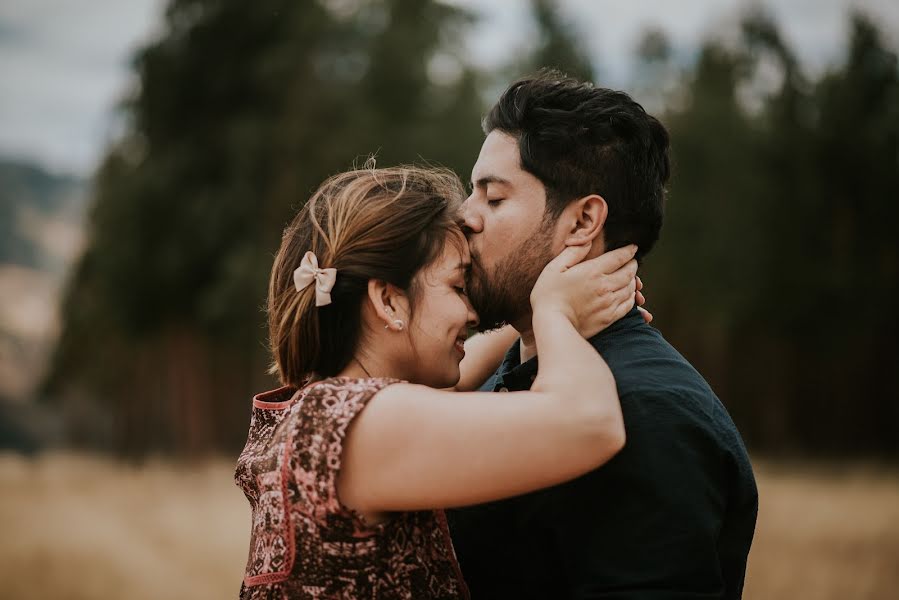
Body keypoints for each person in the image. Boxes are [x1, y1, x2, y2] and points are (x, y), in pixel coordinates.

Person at [234, 164, 644, 599]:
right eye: (457, 286)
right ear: (389, 300)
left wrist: (544, 300)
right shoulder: (353, 425)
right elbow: (590, 423)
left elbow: (457, 380)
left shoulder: (319, 414)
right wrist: (556, 313)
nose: (472, 313)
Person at [447, 71, 759, 599]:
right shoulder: (507, 372)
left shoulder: (652, 413)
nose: (463, 217)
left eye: (493, 199)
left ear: (583, 221)